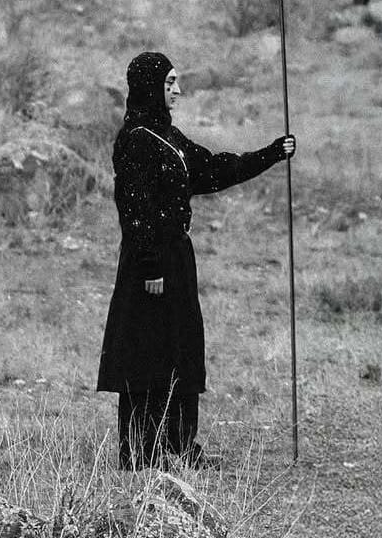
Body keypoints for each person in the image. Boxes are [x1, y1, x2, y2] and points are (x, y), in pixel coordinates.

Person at [97, 51, 296, 470]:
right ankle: (141, 452)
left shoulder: (170, 137)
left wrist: (272, 154)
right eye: (170, 83)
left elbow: (213, 170)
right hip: (148, 264)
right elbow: (133, 208)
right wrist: (150, 265)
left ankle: (181, 447)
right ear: (150, 87)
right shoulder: (135, 139)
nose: (177, 91)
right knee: (147, 351)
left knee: (181, 348)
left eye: (176, 82)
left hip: (177, 258)